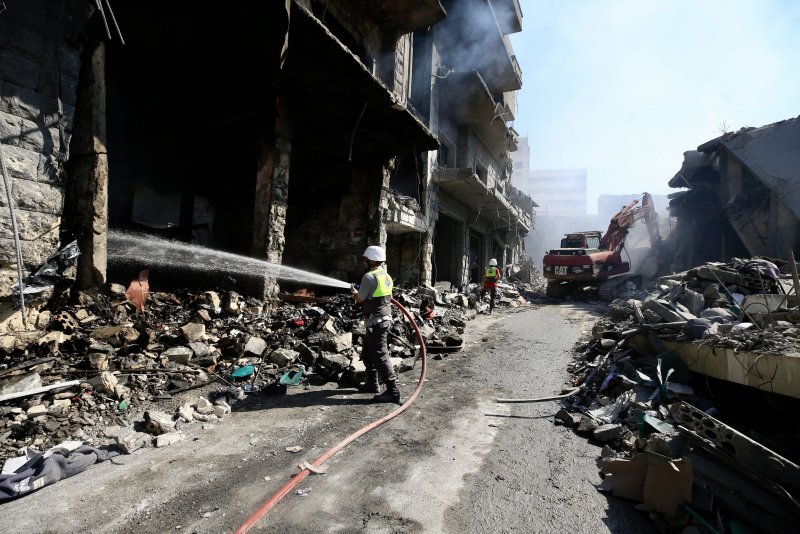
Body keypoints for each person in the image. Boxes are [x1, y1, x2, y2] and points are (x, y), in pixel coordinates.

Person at [351, 245, 400, 404]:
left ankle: (393, 391)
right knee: (367, 351)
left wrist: (354, 292)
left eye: (365, 259)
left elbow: (360, 299)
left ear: (371, 260)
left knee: (379, 353)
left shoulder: (369, 277)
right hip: (382, 320)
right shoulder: (386, 276)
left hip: (376, 321)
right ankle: (373, 382)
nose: (364, 262)